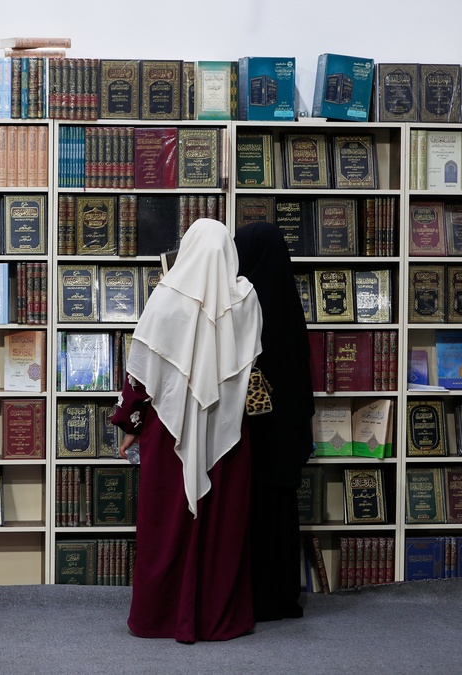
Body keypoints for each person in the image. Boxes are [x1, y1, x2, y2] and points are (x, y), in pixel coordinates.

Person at [110, 218, 263, 643]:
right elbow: (250, 367)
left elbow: (140, 373)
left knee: (166, 522)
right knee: (223, 527)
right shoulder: (246, 298)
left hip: (168, 431)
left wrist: (130, 424)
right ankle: (217, 617)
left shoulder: (165, 296)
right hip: (226, 434)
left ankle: (157, 618)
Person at [233, 221, 316, 622]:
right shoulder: (288, 302)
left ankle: (249, 597)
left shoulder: (243, 303)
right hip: (284, 434)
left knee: (250, 514)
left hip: (253, 432)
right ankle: (281, 596)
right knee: (281, 514)